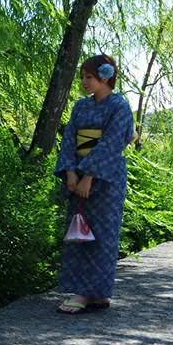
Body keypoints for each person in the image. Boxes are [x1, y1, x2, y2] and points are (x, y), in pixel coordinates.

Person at [54, 54, 135, 314]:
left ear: (105, 76)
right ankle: (88, 292)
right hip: (78, 173)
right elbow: (69, 139)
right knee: (79, 233)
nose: (84, 82)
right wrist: (70, 173)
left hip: (106, 179)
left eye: (89, 77)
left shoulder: (119, 106)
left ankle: (90, 293)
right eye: (83, 77)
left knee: (103, 235)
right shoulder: (81, 107)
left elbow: (112, 143)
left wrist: (89, 176)